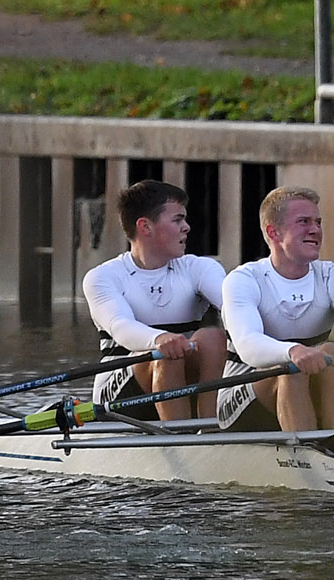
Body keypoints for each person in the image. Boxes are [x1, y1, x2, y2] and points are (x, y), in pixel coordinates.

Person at [220, 186, 334, 432]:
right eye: (304, 222)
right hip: (241, 398)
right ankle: (308, 454)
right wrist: (292, 351)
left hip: (307, 384)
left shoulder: (333, 275)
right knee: (291, 368)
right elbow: (248, 345)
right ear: (274, 232)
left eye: (318, 222)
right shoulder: (244, 280)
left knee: (332, 351)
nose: (315, 230)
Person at [80, 179, 230, 422]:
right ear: (145, 227)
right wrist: (159, 339)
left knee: (212, 338)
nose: (187, 227)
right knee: (166, 355)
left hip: (181, 378)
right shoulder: (103, 277)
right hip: (120, 396)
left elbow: (233, 308)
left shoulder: (200, 267)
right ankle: (180, 437)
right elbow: (120, 327)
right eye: (177, 219)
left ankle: (211, 428)